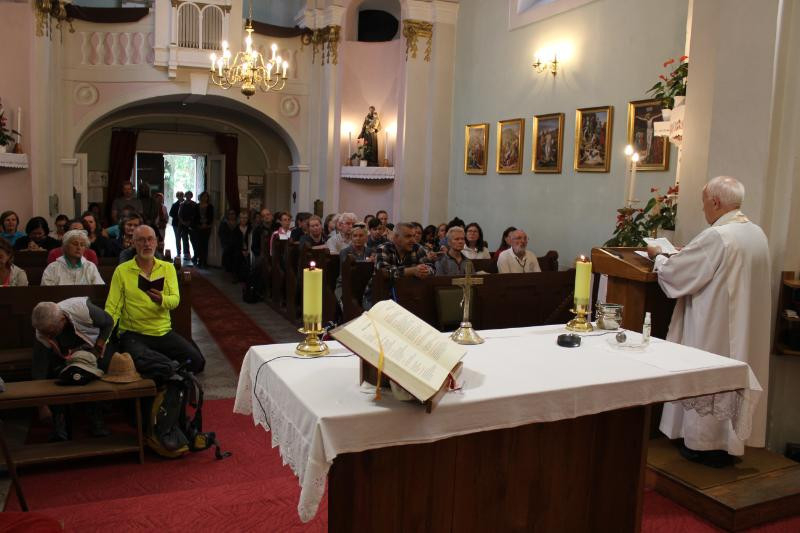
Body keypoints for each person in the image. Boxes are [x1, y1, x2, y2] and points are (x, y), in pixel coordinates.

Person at [647, 176, 770, 464]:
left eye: (704, 202)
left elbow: (677, 275)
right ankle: (730, 443)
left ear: (715, 202)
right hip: (744, 327)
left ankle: (704, 444)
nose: (703, 208)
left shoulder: (718, 236)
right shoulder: (756, 233)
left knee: (707, 376)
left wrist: (660, 256)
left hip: (713, 327)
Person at [105, 225, 205, 374]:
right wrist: (104, 338)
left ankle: (164, 367)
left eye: (150, 239)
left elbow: (175, 300)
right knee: (140, 359)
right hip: (134, 334)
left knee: (197, 362)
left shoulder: (167, 268)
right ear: (134, 243)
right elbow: (112, 307)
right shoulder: (122, 270)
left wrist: (162, 299)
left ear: (156, 242)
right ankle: (169, 367)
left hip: (162, 332)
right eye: (141, 240)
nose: (147, 244)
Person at [32, 299, 114, 440]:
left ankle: (96, 420)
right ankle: (60, 426)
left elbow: (109, 322)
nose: (48, 337)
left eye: (51, 332)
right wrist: (41, 405)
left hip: (91, 346)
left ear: (62, 320)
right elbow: (39, 369)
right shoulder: (43, 332)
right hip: (63, 354)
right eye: (45, 333)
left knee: (92, 373)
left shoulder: (84, 309)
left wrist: (100, 343)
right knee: (55, 376)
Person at [224, 210, 251, 281]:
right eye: (242, 218)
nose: (244, 219)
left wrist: (248, 250)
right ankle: (235, 275)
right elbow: (234, 243)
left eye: (245, 218)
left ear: (247, 219)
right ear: (239, 219)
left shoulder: (250, 229)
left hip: (249, 249)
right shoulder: (236, 229)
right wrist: (242, 251)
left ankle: (248, 276)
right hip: (238, 249)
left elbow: (251, 241)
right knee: (236, 255)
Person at [193, 192, 214, 268]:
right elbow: (194, 217)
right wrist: (198, 225)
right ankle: (199, 261)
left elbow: (211, 217)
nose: (205, 198)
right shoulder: (196, 206)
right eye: (203, 196)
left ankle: (204, 262)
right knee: (198, 245)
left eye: (206, 196)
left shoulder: (210, 206)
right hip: (198, 228)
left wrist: (206, 224)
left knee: (205, 245)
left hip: (207, 228)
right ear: (200, 197)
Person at [178, 191, 198, 261]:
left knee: (193, 240)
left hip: (192, 225)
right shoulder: (182, 204)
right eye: (187, 195)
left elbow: (196, 214)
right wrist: (183, 222)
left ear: (191, 196)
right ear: (185, 196)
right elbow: (179, 214)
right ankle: (186, 254)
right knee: (185, 240)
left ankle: (196, 254)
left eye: (190, 195)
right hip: (183, 225)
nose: (188, 196)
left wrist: (190, 222)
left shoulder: (194, 204)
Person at [169, 191, 185, 258]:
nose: (180, 197)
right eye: (179, 195)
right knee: (178, 238)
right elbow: (171, 213)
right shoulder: (174, 204)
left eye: (181, 195)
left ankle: (186, 253)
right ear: (177, 197)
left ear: (183, 196)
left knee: (185, 238)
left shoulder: (186, 204)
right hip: (176, 224)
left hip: (184, 224)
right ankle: (178, 252)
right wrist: (178, 217)